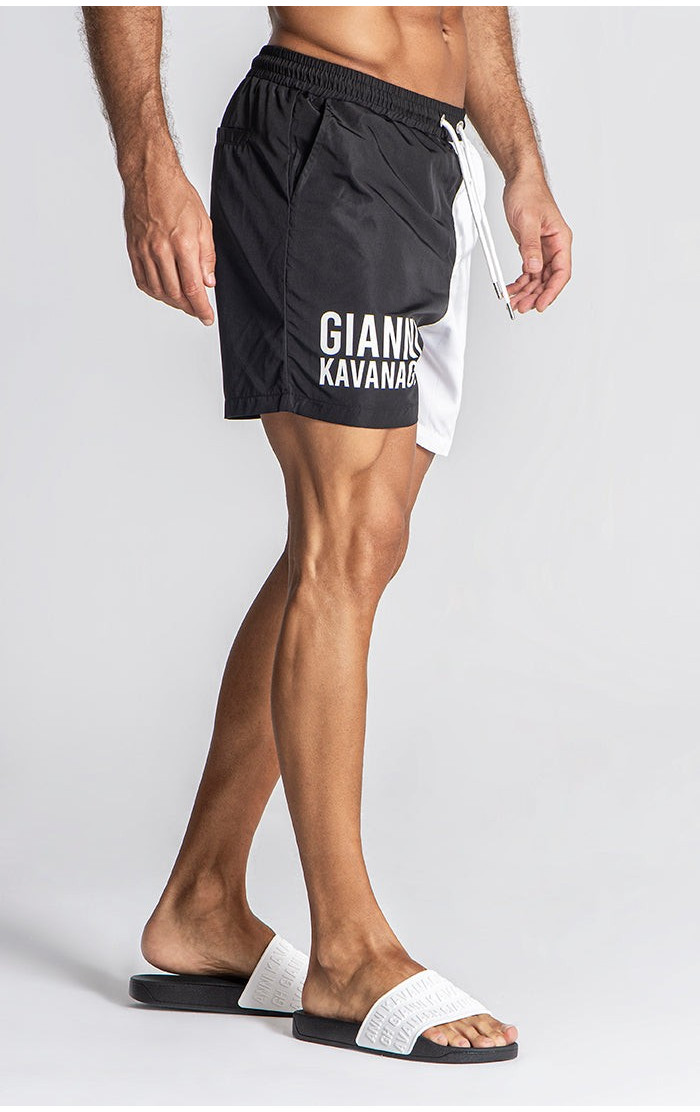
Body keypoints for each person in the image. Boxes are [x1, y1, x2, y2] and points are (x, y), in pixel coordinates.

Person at [82, 6, 571, 1063]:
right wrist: (146, 163)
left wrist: (520, 159)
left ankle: (202, 899)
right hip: (324, 138)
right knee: (341, 541)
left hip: (429, 152)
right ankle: (348, 949)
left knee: (366, 539)